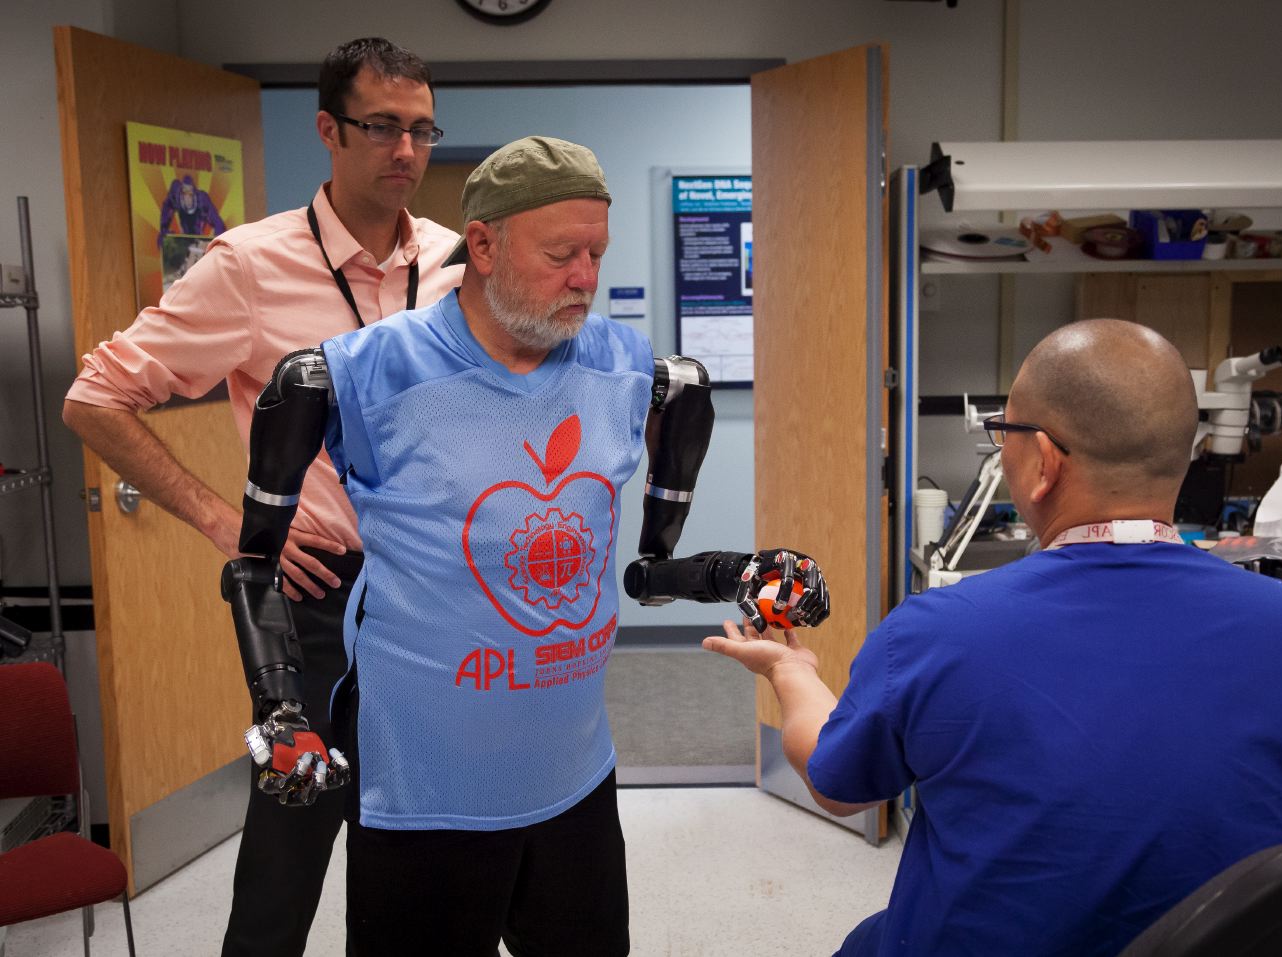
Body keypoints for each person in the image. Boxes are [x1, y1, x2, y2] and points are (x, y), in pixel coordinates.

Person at [219, 135, 828, 956]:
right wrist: (279, 712)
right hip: (422, 790)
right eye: (561, 254)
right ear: (482, 244)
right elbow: (254, 563)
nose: (586, 276)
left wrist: (734, 573)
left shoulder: (633, 369)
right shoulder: (359, 375)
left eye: (596, 254)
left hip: (571, 777)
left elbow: (642, 574)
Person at [703, 318, 1282, 957]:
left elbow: (838, 784)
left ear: (1043, 460)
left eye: (1002, 431)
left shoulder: (940, 630)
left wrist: (792, 674)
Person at [61, 37, 462, 957]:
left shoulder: (450, 262)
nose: (405, 150)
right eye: (381, 128)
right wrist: (228, 522)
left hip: (433, 600)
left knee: (415, 856)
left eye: (421, 130)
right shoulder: (248, 264)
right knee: (285, 860)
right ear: (328, 130)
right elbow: (95, 399)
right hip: (316, 600)